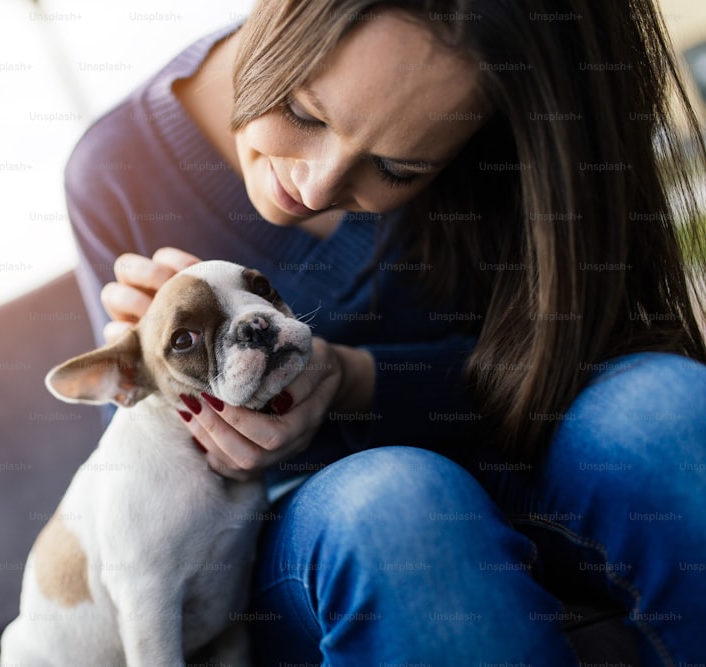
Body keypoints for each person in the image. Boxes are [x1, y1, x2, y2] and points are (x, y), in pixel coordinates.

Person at [63, 0, 706, 664]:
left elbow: (581, 356)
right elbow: (138, 492)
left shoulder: (509, 103)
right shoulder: (118, 168)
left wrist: (358, 380)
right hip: (321, 534)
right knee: (398, 505)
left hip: (533, 441)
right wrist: (165, 384)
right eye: (303, 114)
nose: (315, 186)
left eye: (398, 169)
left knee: (665, 409)